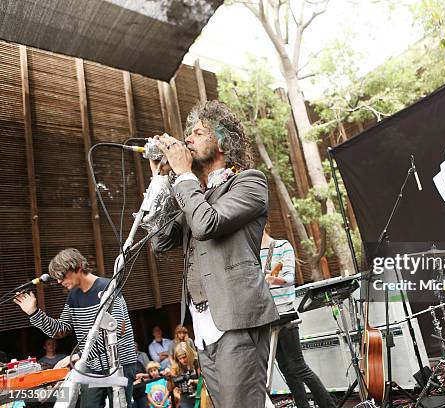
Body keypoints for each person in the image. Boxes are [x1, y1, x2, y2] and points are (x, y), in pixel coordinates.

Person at [150, 99, 278, 407]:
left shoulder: (248, 182)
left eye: (197, 133)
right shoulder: (195, 194)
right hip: (203, 326)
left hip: (237, 318)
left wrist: (183, 176)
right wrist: (160, 179)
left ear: (222, 141)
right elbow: (160, 241)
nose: (188, 140)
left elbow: (208, 224)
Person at [13, 248, 137, 406]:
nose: (59, 281)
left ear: (78, 267)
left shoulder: (109, 288)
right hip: (92, 366)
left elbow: (117, 331)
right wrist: (34, 313)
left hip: (120, 364)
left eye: (62, 275)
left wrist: (76, 356)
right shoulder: (73, 296)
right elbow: (60, 329)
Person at [261, 227, 336, 408]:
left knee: (298, 366)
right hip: (266, 316)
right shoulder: (250, 254)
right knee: (286, 369)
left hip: (284, 313)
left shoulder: (281, 246)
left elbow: (289, 277)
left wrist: (273, 280)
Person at [169, 342, 199, 408]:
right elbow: (171, 388)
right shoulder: (175, 367)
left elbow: (203, 380)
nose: (183, 360)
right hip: (185, 396)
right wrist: (168, 378)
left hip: (199, 393)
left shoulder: (196, 362)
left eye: (184, 357)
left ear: (189, 354)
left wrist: (194, 381)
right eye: (180, 358)